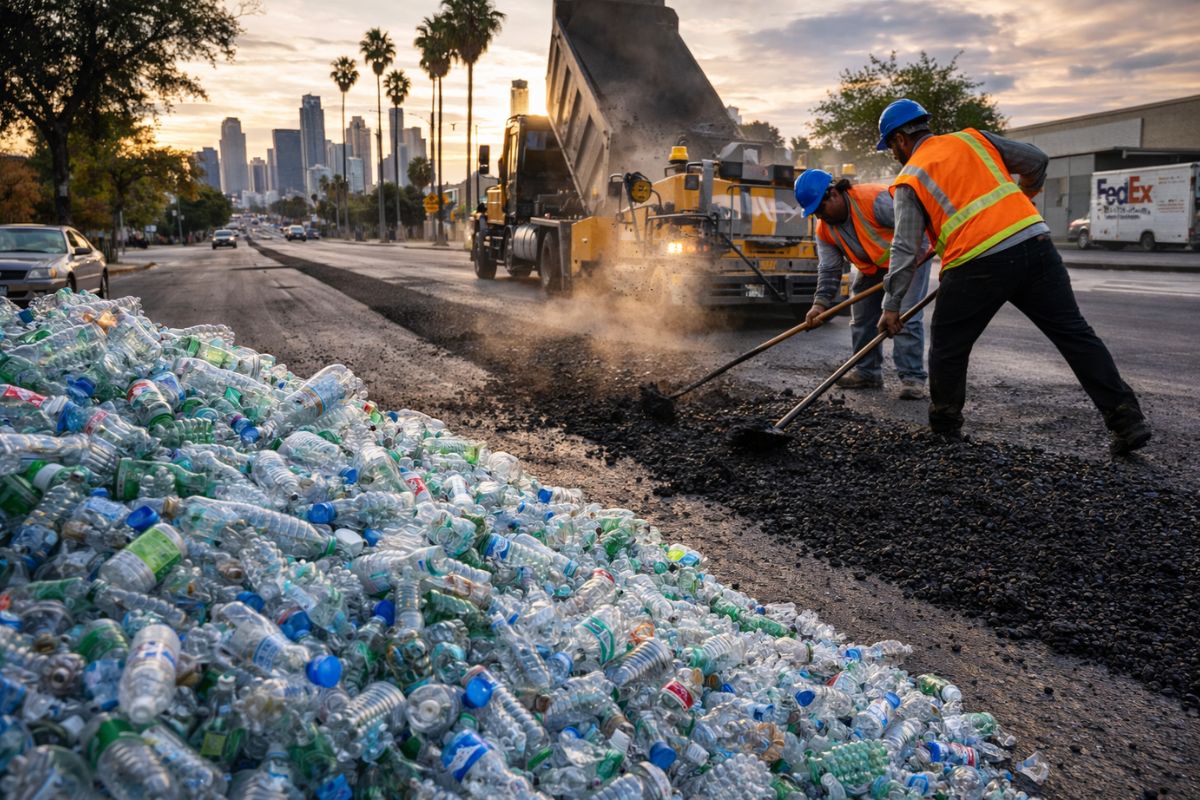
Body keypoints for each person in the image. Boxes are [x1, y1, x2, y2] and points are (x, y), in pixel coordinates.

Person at [874, 98, 1150, 455]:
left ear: (900, 139)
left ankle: (944, 429)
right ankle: (1127, 420)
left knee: (948, 348)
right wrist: (1027, 193)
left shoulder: (910, 177)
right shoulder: (973, 139)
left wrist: (891, 305)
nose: (893, 154)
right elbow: (1037, 160)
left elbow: (904, 247)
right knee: (1075, 336)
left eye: (891, 147)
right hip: (1035, 244)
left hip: (976, 263)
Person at [795, 169, 932, 399]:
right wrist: (820, 304)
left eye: (820, 209)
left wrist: (905, 275)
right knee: (861, 317)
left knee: (904, 316)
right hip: (873, 267)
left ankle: (912, 378)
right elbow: (829, 269)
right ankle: (867, 372)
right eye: (814, 213)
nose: (819, 216)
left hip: (909, 260)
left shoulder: (874, 201)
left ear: (834, 193)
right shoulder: (825, 229)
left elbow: (916, 228)